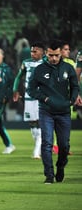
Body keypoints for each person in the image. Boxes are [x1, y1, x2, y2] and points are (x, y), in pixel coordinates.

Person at [27, 39, 81, 184]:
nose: (54, 58)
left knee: (64, 146)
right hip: (46, 112)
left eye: (57, 55)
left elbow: (75, 86)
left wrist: (72, 99)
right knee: (47, 143)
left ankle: (60, 166)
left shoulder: (68, 68)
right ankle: (49, 175)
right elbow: (30, 90)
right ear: (46, 53)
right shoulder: (39, 70)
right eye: (51, 55)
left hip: (64, 112)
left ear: (60, 54)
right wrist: (43, 98)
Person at [13, 42, 44, 159]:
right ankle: (39, 145)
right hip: (28, 96)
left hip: (41, 97)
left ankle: (37, 151)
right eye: (31, 51)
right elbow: (18, 76)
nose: (32, 53)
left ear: (42, 52)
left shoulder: (46, 63)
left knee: (40, 122)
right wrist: (15, 89)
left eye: (35, 51)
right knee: (32, 123)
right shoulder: (26, 63)